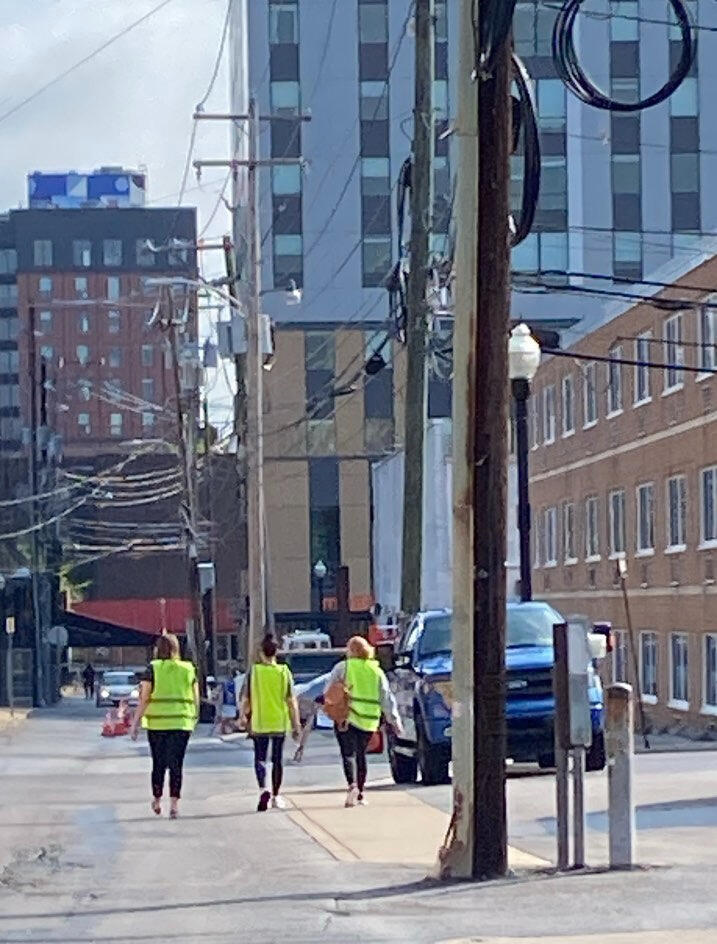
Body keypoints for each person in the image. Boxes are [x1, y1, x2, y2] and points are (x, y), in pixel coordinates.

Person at [325, 635, 402, 808]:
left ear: (351, 650)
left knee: (348, 754)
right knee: (361, 755)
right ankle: (360, 792)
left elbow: (328, 691)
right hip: (369, 720)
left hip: (347, 717)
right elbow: (386, 698)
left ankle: (352, 786)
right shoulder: (377, 671)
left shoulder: (343, 667)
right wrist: (394, 721)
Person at [130, 634, 199, 819]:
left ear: (157, 649)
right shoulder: (188, 668)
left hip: (157, 724)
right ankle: (174, 805)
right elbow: (195, 697)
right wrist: (194, 718)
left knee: (158, 764)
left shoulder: (152, 669)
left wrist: (135, 723)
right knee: (177, 765)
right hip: (182, 724)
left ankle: (157, 799)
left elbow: (144, 698)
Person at [240, 635, 301, 812]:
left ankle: (263, 789)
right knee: (277, 759)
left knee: (260, 758)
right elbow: (291, 700)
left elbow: (245, 698)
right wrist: (296, 724)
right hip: (279, 722)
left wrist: (243, 716)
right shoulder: (284, 672)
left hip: (260, 722)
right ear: (276, 653)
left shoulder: (254, 672)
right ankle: (276, 795)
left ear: (261, 652)